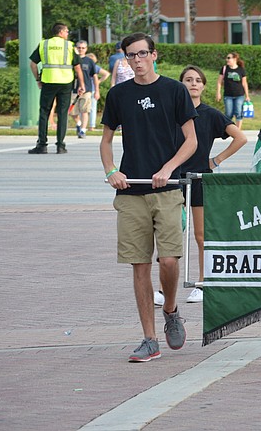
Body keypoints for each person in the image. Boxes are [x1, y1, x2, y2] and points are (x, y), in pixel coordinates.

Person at [100, 32, 198, 362]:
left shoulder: (174, 90)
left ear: (154, 55)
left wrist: (169, 168)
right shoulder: (119, 94)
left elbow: (191, 141)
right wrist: (111, 170)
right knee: (139, 265)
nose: (137, 60)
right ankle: (149, 339)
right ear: (125, 59)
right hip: (131, 191)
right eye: (131, 55)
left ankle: (170, 309)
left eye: (143, 53)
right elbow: (106, 141)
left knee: (169, 260)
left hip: (166, 191)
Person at [177, 65, 246, 303]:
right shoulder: (172, 112)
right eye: (188, 80)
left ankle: (202, 283)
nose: (193, 83)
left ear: (204, 86)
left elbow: (240, 137)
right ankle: (165, 289)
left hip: (200, 178)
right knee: (171, 234)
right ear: (181, 84)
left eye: (198, 80)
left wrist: (216, 160)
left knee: (201, 235)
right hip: (173, 178)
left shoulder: (210, 114)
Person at [28, 23, 86, 154]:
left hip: (48, 82)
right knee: (62, 113)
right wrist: (82, 84)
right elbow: (77, 67)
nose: (67, 34)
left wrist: (38, 79)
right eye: (66, 31)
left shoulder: (44, 44)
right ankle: (60, 146)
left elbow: (33, 64)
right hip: (66, 82)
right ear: (60, 32)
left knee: (44, 112)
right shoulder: (69, 46)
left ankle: (42, 144)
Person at [216, 52, 251, 130]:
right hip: (228, 95)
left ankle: (238, 130)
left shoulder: (241, 69)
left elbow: (244, 83)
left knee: (238, 113)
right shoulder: (224, 69)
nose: (227, 60)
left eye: (229, 58)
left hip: (239, 95)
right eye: (226, 58)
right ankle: (228, 129)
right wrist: (218, 93)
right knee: (228, 114)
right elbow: (219, 82)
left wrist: (247, 96)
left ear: (235, 59)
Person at [71, 40, 99, 139]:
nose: (81, 50)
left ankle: (83, 130)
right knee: (71, 111)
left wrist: (97, 91)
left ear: (86, 49)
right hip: (73, 89)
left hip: (86, 90)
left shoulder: (89, 61)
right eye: (79, 48)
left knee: (84, 110)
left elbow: (94, 76)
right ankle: (78, 123)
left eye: (83, 48)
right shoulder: (72, 59)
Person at [86, 52, 110, 132]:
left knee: (90, 108)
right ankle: (88, 125)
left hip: (92, 89)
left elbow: (106, 74)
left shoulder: (94, 67)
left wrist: (98, 81)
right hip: (87, 89)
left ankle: (91, 125)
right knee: (89, 109)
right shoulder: (94, 67)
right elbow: (106, 74)